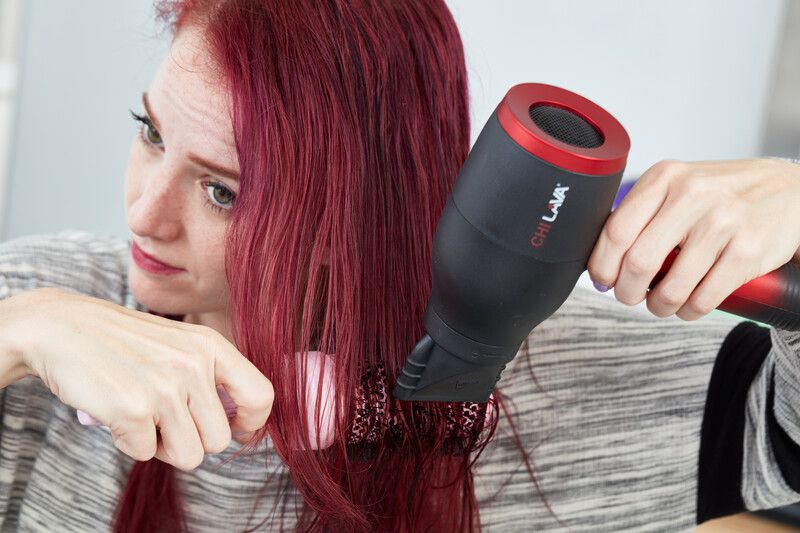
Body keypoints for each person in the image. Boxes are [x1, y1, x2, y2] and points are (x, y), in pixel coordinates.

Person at [0, 0, 798, 531]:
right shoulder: (47, 314)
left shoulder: (561, 378)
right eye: (149, 132)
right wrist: (25, 331)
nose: (142, 213)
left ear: (353, 214)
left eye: (220, 190)